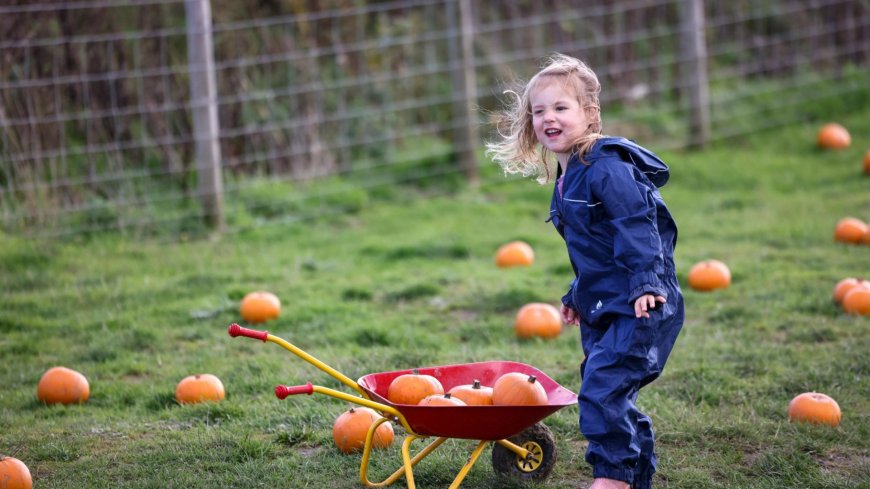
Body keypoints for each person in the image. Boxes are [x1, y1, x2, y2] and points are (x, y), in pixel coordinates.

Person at [486, 53, 685, 489]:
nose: (548, 118)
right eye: (539, 111)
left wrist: (647, 283)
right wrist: (578, 293)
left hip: (640, 301)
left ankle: (612, 478)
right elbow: (596, 247)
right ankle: (634, 478)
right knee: (609, 390)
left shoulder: (607, 168)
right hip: (605, 300)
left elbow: (637, 227)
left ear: (589, 114)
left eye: (560, 108)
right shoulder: (570, 173)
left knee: (600, 389)